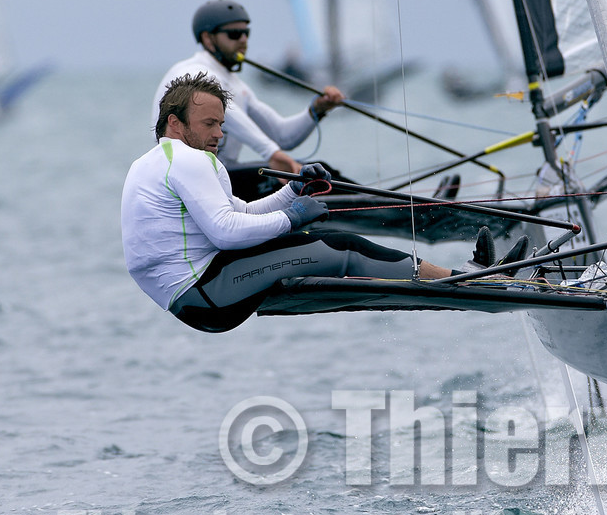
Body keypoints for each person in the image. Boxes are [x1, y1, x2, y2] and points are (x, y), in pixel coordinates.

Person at [123, 74, 527, 333]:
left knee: (335, 244)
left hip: (200, 297)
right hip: (206, 293)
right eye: (209, 125)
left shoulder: (158, 162)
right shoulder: (187, 159)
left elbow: (239, 213)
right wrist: (291, 218)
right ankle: (469, 280)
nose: (220, 135)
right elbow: (226, 233)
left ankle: (465, 277)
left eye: (222, 125)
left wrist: (293, 192)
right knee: (339, 247)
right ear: (175, 123)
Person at [152, 0, 344, 192]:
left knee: (320, 171)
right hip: (190, 177)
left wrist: (317, 110)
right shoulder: (193, 72)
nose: (243, 40)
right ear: (208, 38)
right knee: (313, 177)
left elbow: (284, 136)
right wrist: (272, 154)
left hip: (220, 174)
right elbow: (231, 113)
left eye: (246, 33)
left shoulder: (235, 84)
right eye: (234, 34)